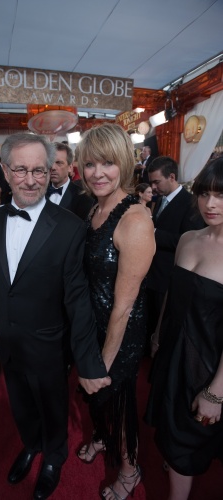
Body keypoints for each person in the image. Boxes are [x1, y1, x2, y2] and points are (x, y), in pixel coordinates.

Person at [0, 132, 111, 500]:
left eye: (39, 170)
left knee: (53, 408)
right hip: (7, 340)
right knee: (20, 403)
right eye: (20, 170)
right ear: (5, 172)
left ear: (52, 171)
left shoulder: (70, 228)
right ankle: (31, 444)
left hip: (47, 344)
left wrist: (88, 363)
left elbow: (78, 299)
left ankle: (53, 456)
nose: (30, 179)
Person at [75, 123, 155, 500]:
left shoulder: (134, 219)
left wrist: (102, 363)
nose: (97, 173)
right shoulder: (97, 205)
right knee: (97, 400)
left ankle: (129, 468)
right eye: (90, 164)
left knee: (117, 401)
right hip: (93, 325)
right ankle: (103, 438)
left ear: (123, 163)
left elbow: (124, 306)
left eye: (107, 163)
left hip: (119, 335)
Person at [145, 156, 223, 500]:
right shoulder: (189, 238)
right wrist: (158, 334)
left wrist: (216, 392)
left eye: (221, 195)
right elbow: (171, 295)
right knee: (170, 431)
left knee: (187, 443)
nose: (210, 203)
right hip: (173, 353)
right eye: (205, 193)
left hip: (208, 368)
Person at [146, 156, 205, 348]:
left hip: (169, 276)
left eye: (157, 182)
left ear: (171, 177)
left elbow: (187, 240)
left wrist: (153, 232)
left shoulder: (190, 203)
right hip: (152, 274)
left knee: (164, 329)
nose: (153, 187)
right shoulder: (161, 200)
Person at [46, 142, 93, 220]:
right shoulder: (39, 193)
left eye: (59, 163)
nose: (53, 167)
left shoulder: (83, 198)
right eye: (50, 162)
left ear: (70, 167)